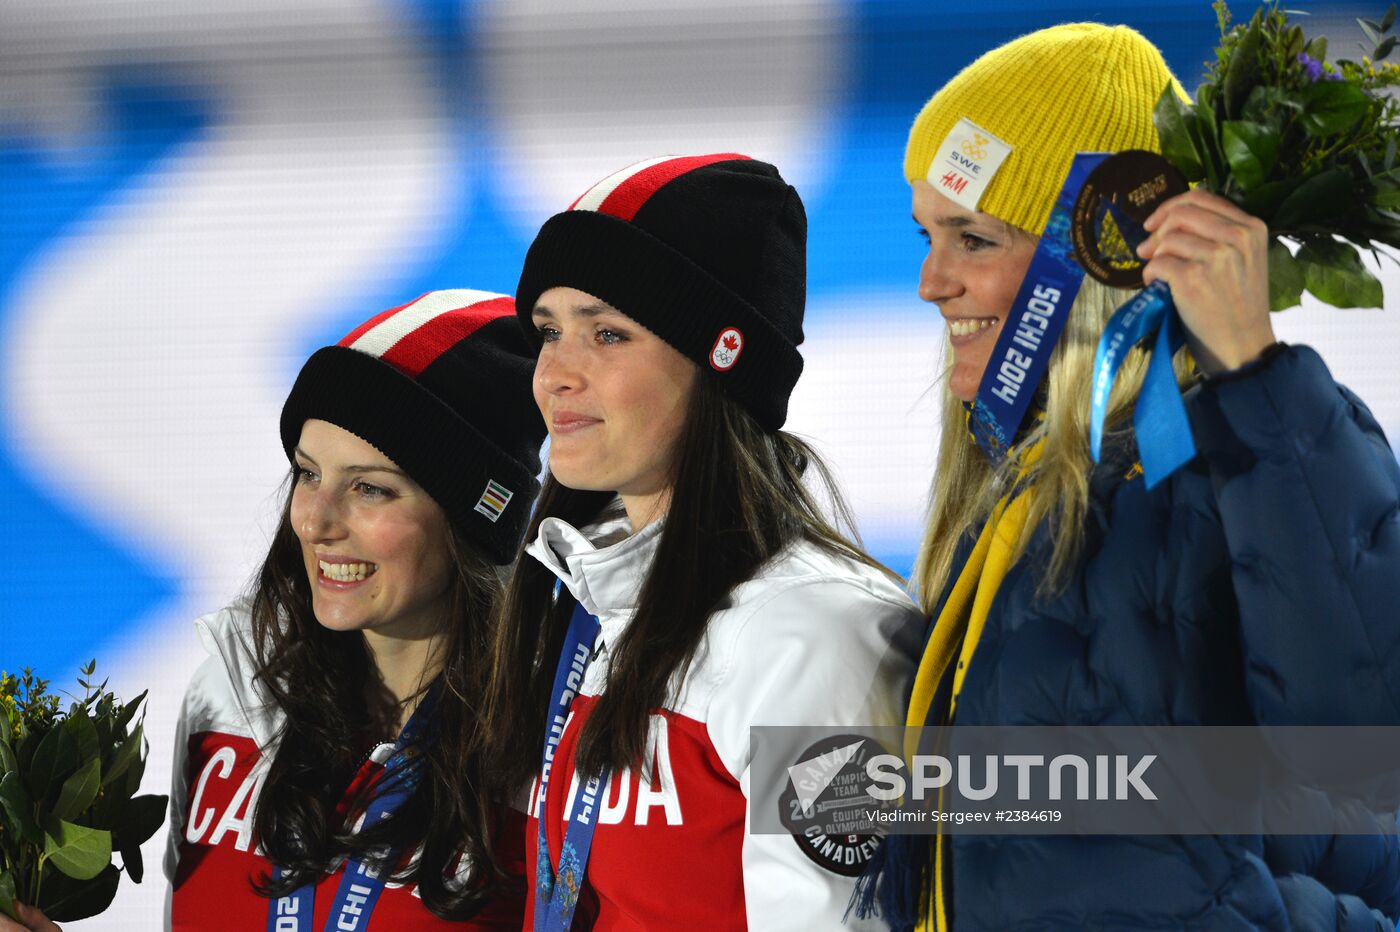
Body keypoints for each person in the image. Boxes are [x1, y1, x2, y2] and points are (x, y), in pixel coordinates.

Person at [856, 23, 1400, 931]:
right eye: (928, 235)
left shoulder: (1241, 443)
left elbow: (1364, 742)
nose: (931, 282)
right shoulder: (1021, 496)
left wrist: (1255, 372)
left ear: (1098, 254)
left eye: (974, 239)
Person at [476, 153, 924, 930]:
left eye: (607, 333)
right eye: (547, 332)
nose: (553, 375)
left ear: (723, 363)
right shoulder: (574, 602)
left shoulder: (817, 634)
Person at [147, 290, 544, 930]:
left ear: (471, 523)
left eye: (369, 488)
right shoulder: (230, 694)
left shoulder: (549, 746)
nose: (314, 521)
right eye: (307, 474)